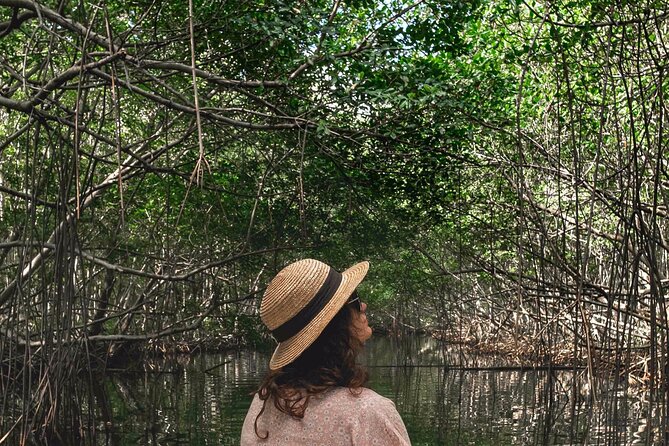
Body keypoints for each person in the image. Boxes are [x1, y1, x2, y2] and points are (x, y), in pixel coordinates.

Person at [241, 258, 411, 445]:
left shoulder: (264, 401)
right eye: (355, 299)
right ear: (337, 324)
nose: (363, 306)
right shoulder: (368, 413)